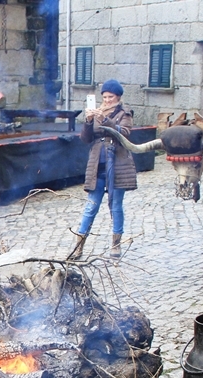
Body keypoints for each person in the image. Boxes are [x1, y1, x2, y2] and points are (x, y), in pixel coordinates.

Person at [71, 79, 137, 259]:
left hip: (118, 163)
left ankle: (116, 244)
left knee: (115, 206)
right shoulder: (96, 111)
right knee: (91, 207)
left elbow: (124, 133)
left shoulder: (124, 113)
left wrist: (105, 120)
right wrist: (88, 121)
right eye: (105, 97)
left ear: (118, 97)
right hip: (97, 164)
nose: (107, 100)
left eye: (110, 97)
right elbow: (85, 138)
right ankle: (78, 246)